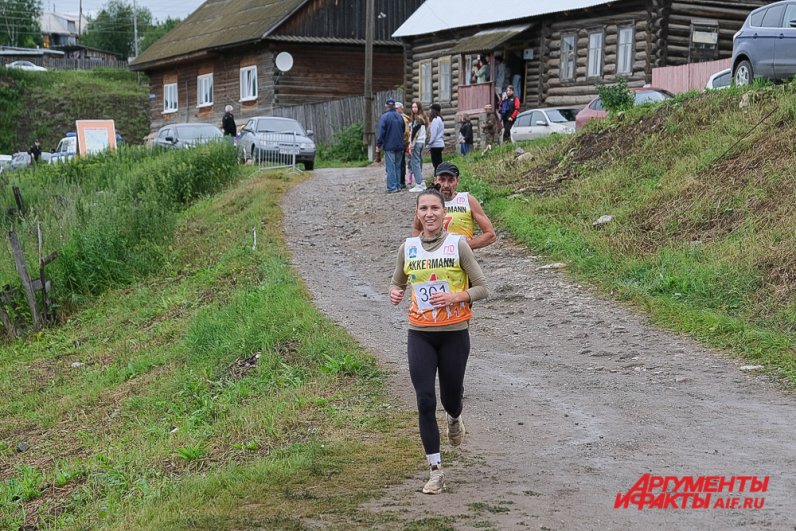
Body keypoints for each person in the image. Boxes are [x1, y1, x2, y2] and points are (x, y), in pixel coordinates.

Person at [389, 184, 488, 494]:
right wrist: (395, 293)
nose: (429, 213)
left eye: (434, 208)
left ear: (444, 213)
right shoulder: (407, 247)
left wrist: (456, 296)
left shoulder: (458, 245)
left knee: (450, 398)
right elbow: (397, 283)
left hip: (454, 334)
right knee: (424, 400)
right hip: (419, 333)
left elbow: (483, 288)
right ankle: (435, 471)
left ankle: (455, 417)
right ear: (417, 215)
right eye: (423, 209)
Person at [411, 162, 496, 249]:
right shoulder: (427, 202)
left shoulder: (468, 200)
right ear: (435, 180)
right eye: (442, 180)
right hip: (434, 258)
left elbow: (490, 235)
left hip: (461, 259)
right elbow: (417, 229)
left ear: (457, 181)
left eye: (451, 180)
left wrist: (462, 248)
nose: (446, 185)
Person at [376, 98, 406, 193]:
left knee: (390, 166)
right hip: (400, 145)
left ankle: (392, 187)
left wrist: (379, 144)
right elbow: (403, 129)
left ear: (386, 105)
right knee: (397, 166)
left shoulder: (384, 117)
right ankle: (398, 185)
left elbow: (381, 132)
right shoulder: (400, 116)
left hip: (389, 145)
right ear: (394, 106)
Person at [408, 100, 428, 192]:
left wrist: (411, 145)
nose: (413, 109)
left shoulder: (418, 119)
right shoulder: (424, 118)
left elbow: (414, 134)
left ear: (419, 108)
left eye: (415, 107)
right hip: (422, 142)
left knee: (415, 163)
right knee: (418, 161)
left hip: (417, 143)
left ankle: (419, 184)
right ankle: (421, 183)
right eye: (412, 107)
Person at [395, 102, 411, 190]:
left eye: (397, 108)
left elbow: (406, 132)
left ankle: (401, 182)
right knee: (401, 163)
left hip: (402, 143)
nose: (396, 110)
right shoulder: (401, 117)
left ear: (401, 108)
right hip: (401, 143)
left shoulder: (403, 118)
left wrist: (404, 141)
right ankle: (400, 182)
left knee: (401, 163)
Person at [427, 103, 445, 175]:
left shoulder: (435, 120)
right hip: (440, 143)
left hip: (435, 145)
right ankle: (440, 178)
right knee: (439, 163)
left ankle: (437, 179)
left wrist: (429, 143)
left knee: (436, 165)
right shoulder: (440, 119)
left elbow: (433, 134)